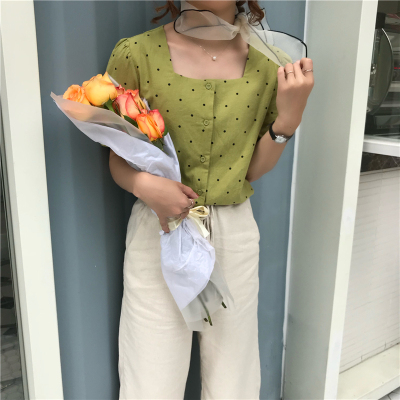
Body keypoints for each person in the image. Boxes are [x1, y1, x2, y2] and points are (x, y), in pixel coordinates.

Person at [106, 1, 314, 398]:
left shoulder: (271, 64)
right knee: (150, 374)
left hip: (234, 234)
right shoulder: (136, 54)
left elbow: (251, 170)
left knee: (234, 378)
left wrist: (288, 120)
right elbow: (118, 158)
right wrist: (144, 186)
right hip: (159, 229)